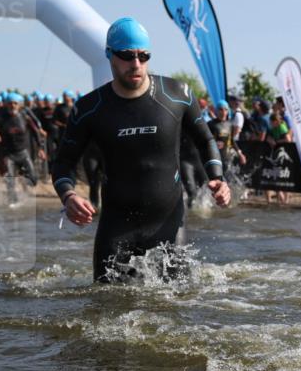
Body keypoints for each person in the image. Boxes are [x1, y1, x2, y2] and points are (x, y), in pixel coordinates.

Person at [52, 17, 231, 282]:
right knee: (103, 311)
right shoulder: (89, 108)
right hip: (116, 229)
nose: (136, 64)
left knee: (178, 314)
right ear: (109, 55)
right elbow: (63, 162)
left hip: (168, 226)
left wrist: (217, 177)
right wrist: (68, 196)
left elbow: (205, 140)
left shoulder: (177, 94)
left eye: (143, 56)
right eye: (127, 55)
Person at [0, 92, 44, 203]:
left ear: (19, 105)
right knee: (10, 182)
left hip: (23, 153)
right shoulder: (1, 118)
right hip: (8, 155)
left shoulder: (25, 118)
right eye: (10, 103)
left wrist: (40, 148)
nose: (13, 106)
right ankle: (12, 203)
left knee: (33, 180)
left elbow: (36, 132)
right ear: (6, 105)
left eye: (15, 103)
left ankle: (23, 182)